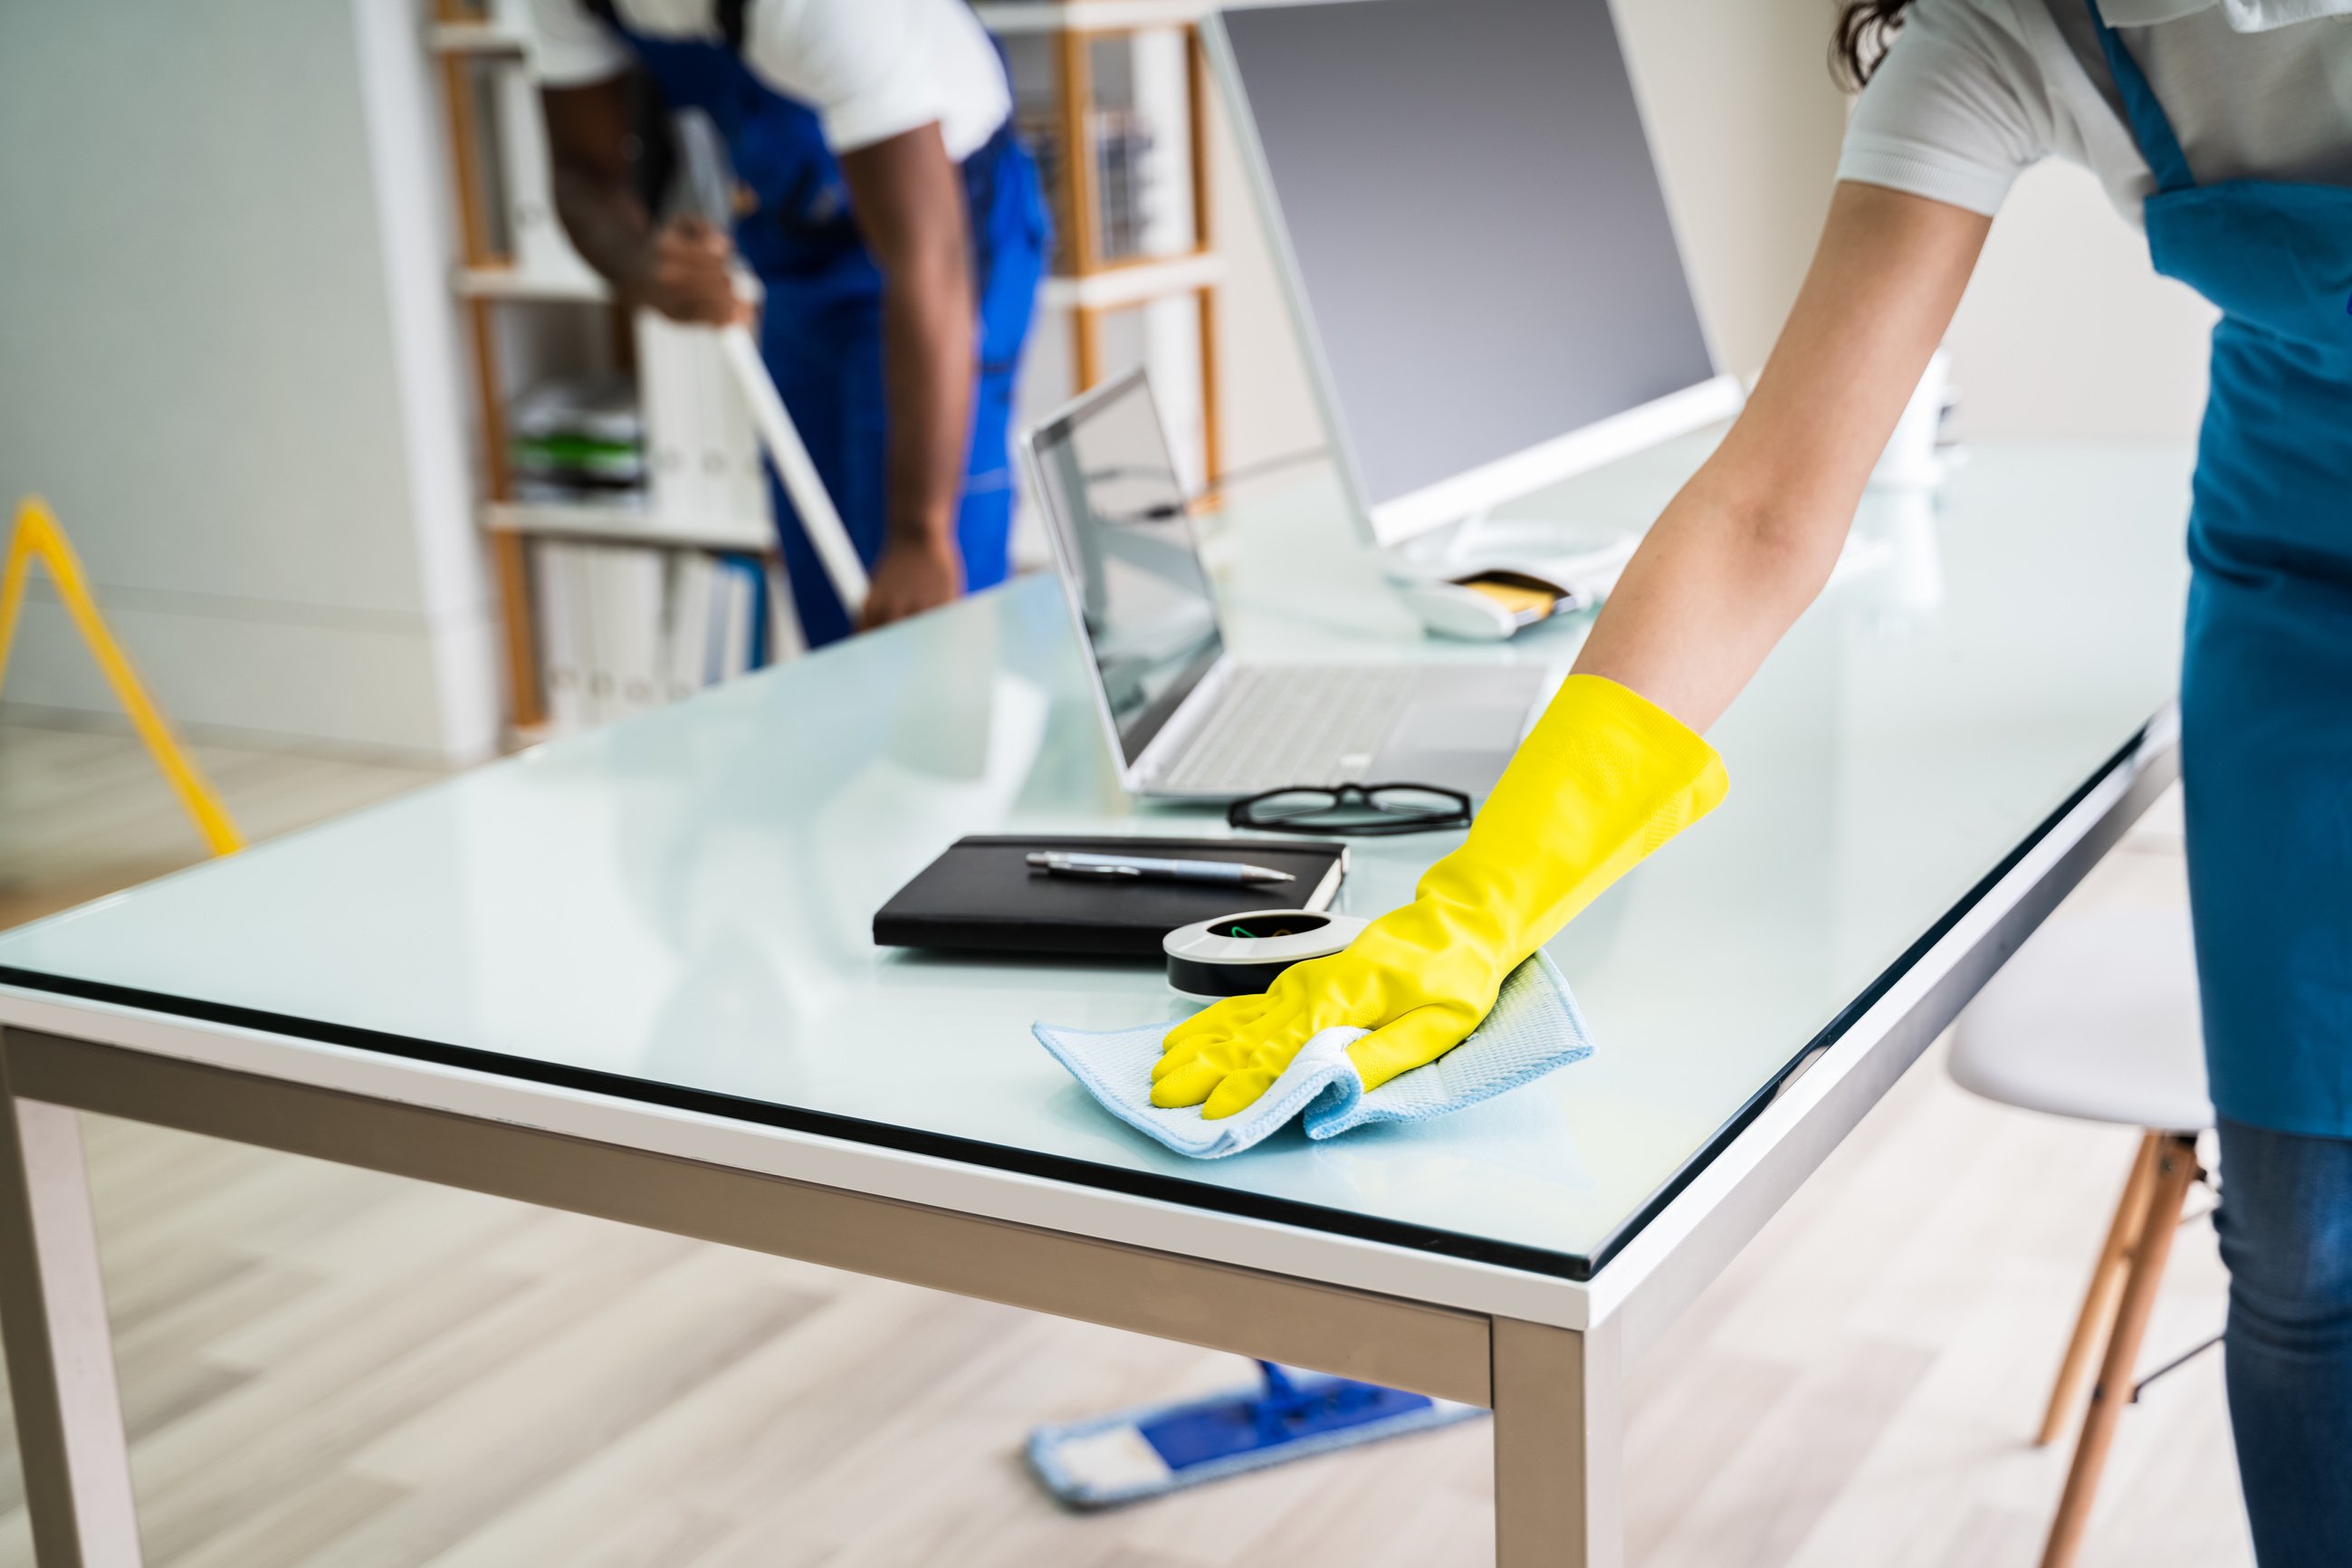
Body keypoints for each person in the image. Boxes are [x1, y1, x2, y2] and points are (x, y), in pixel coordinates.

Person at [1152, 1, 2351, 1558]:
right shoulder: (2002, 36)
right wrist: (1475, 905)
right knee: (2303, 1239)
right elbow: (1764, 509)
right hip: (2299, 580)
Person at [530, 0, 1047, 645]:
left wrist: (921, 535)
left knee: (935, 612)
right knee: (828, 589)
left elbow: (930, 262)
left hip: (947, 223)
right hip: (799, 241)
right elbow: (581, 172)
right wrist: (642, 265)